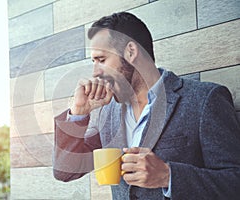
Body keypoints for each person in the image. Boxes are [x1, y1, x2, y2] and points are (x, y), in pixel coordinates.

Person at [52, 12, 240, 200]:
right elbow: (65, 171)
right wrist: (78, 113)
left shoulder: (205, 99)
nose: (95, 73)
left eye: (101, 60)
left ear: (131, 52)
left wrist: (168, 176)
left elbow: (234, 182)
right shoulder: (107, 113)